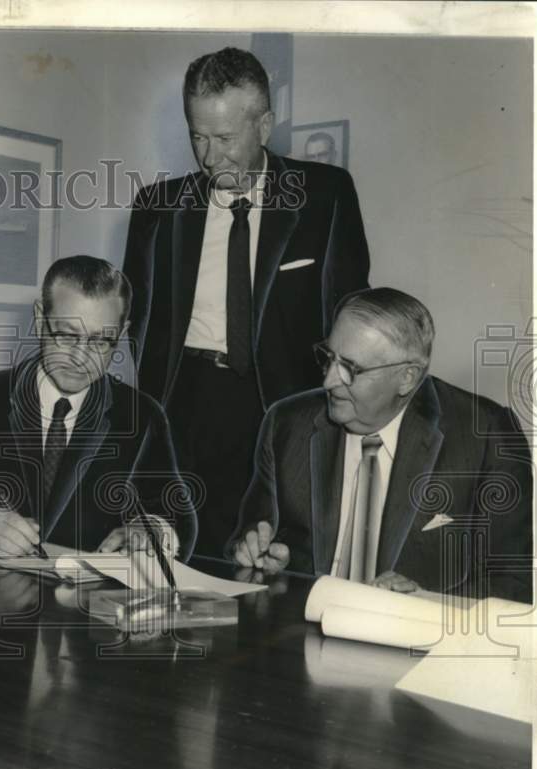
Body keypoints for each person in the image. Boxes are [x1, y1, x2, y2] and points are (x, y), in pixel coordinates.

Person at [122, 46, 370, 554]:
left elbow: (351, 310)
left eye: (224, 139)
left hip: (283, 408)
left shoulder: (325, 195)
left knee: (269, 564)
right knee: (182, 559)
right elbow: (139, 319)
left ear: (264, 126)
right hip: (184, 407)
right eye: (197, 137)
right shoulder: (156, 207)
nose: (210, 158)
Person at [0, 256, 197, 565]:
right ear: (39, 318)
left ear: (122, 331)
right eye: (66, 335)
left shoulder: (142, 416)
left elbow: (177, 513)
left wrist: (153, 528)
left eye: (101, 341)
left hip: (88, 609)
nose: (80, 358)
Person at [232, 288, 533, 602]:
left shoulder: (485, 436)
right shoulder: (287, 424)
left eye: (351, 368)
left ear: (407, 378)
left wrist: (424, 604)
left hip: (419, 643)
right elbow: (248, 541)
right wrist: (262, 558)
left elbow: (517, 581)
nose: (329, 381)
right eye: (328, 358)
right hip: (303, 632)